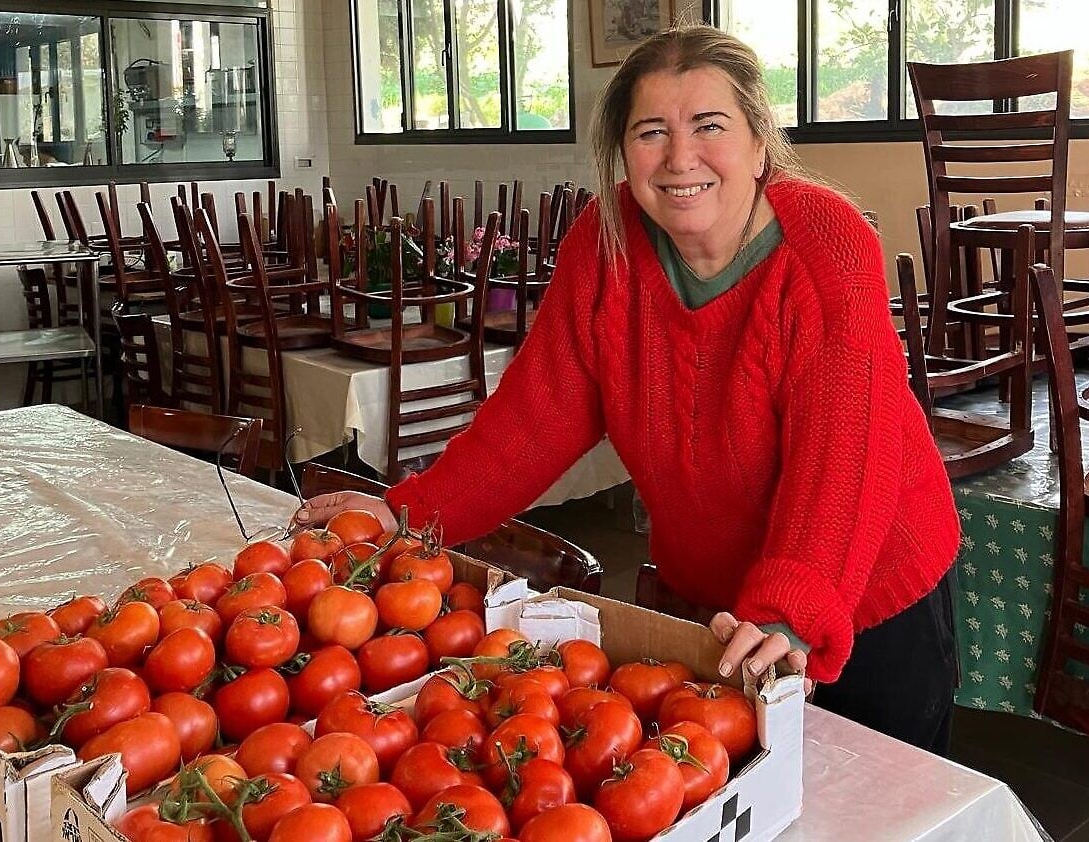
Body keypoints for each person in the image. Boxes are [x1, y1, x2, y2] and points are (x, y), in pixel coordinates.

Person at [296, 25, 961, 754]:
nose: (680, 158)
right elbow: (531, 422)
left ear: (759, 143)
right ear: (624, 153)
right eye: (651, 133)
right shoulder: (606, 240)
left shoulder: (827, 244)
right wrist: (407, 516)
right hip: (719, 615)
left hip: (866, 595)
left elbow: (845, 454)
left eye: (710, 126)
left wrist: (791, 611)